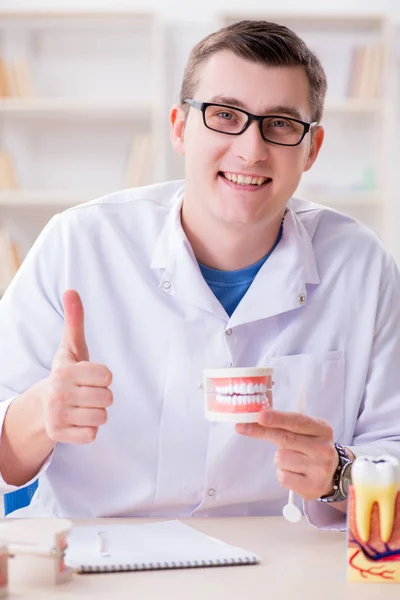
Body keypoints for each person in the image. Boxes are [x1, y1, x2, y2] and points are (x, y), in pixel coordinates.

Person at [0, 20, 399, 528]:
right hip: (99, 560)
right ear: (180, 127)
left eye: (279, 123)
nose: (251, 150)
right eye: (225, 115)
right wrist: (40, 414)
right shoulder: (78, 243)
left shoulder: (361, 265)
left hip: (283, 571)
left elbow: (392, 445)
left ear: (311, 148)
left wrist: (340, 474)